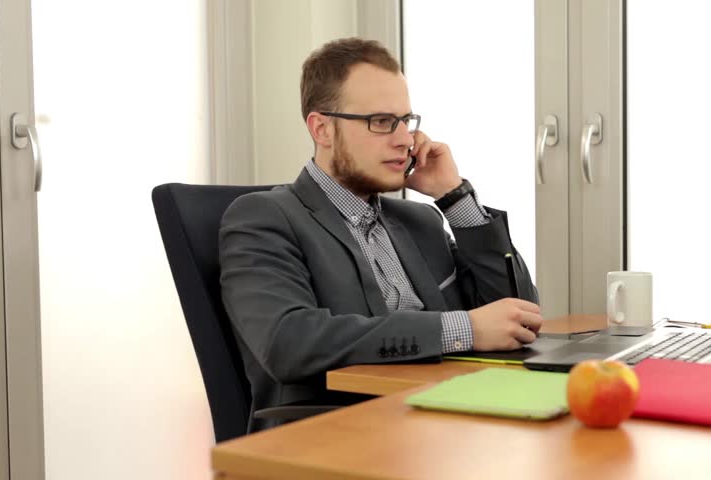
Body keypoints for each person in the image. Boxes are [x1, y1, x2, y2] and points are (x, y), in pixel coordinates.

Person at [219, 37, 541, 432]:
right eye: (382, 122)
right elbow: (289, 341)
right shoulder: (265, 217)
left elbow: (519, 312)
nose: (405, 139)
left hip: (445, 417)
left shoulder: (419, 221)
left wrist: (454, 197)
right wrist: (464, 329)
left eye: (406, 121)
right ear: (322, 128)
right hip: (341, 434)